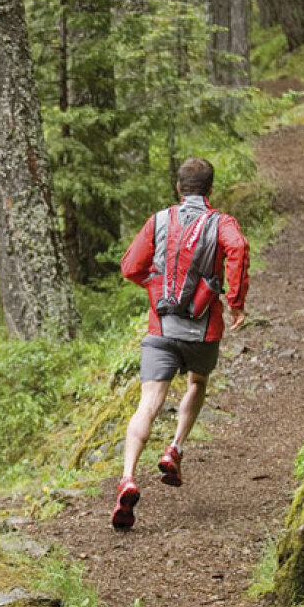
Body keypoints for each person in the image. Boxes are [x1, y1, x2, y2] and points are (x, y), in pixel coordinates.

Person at [112, 157, 250, 530]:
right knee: (197, 383)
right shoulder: (222, 223)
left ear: (179, 187)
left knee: (148, 404)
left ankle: (127, 476)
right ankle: (175, 447)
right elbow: (237, 249)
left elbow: (130, 268)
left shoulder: (158, 221)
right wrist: (235, 302)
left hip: (161, 329)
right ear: (210, 189)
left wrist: (154, 285)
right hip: (202, 331)